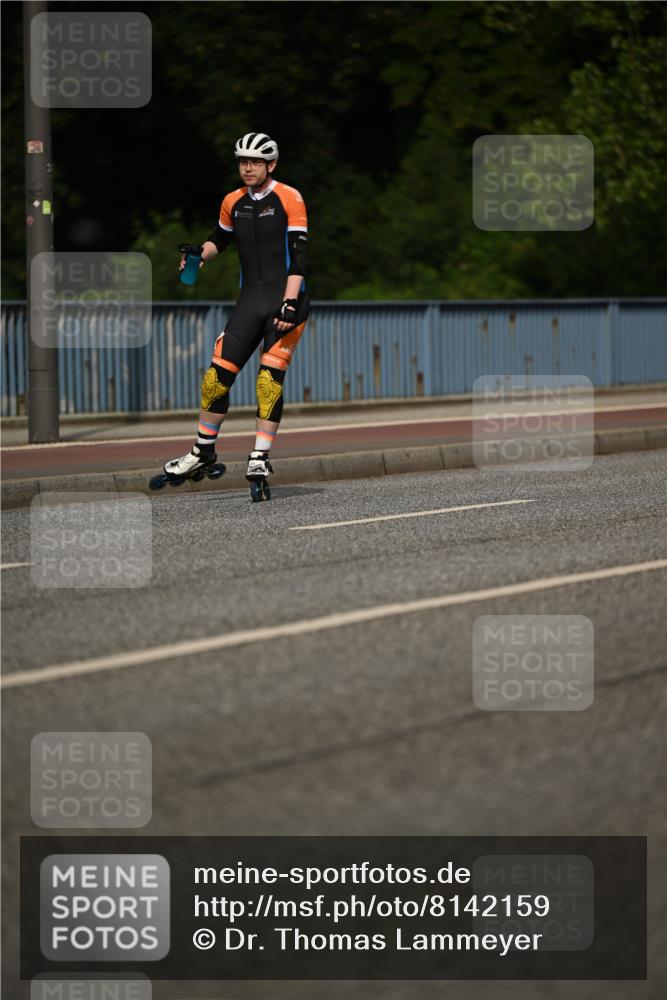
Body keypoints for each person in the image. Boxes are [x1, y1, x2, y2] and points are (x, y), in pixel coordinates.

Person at [163, 132, 309, 485]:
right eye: (243, 161)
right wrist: (200, 254)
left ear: (270, 165)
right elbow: (221, 238)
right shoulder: (233, 200)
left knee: (267, 382)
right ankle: (202, 452)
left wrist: (289, 302)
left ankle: (259, 456)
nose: (247, 167)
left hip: (288, 301)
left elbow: (300, 255)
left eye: (255, 162)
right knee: (215, 379)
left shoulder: (290, 197)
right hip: (250, 301)